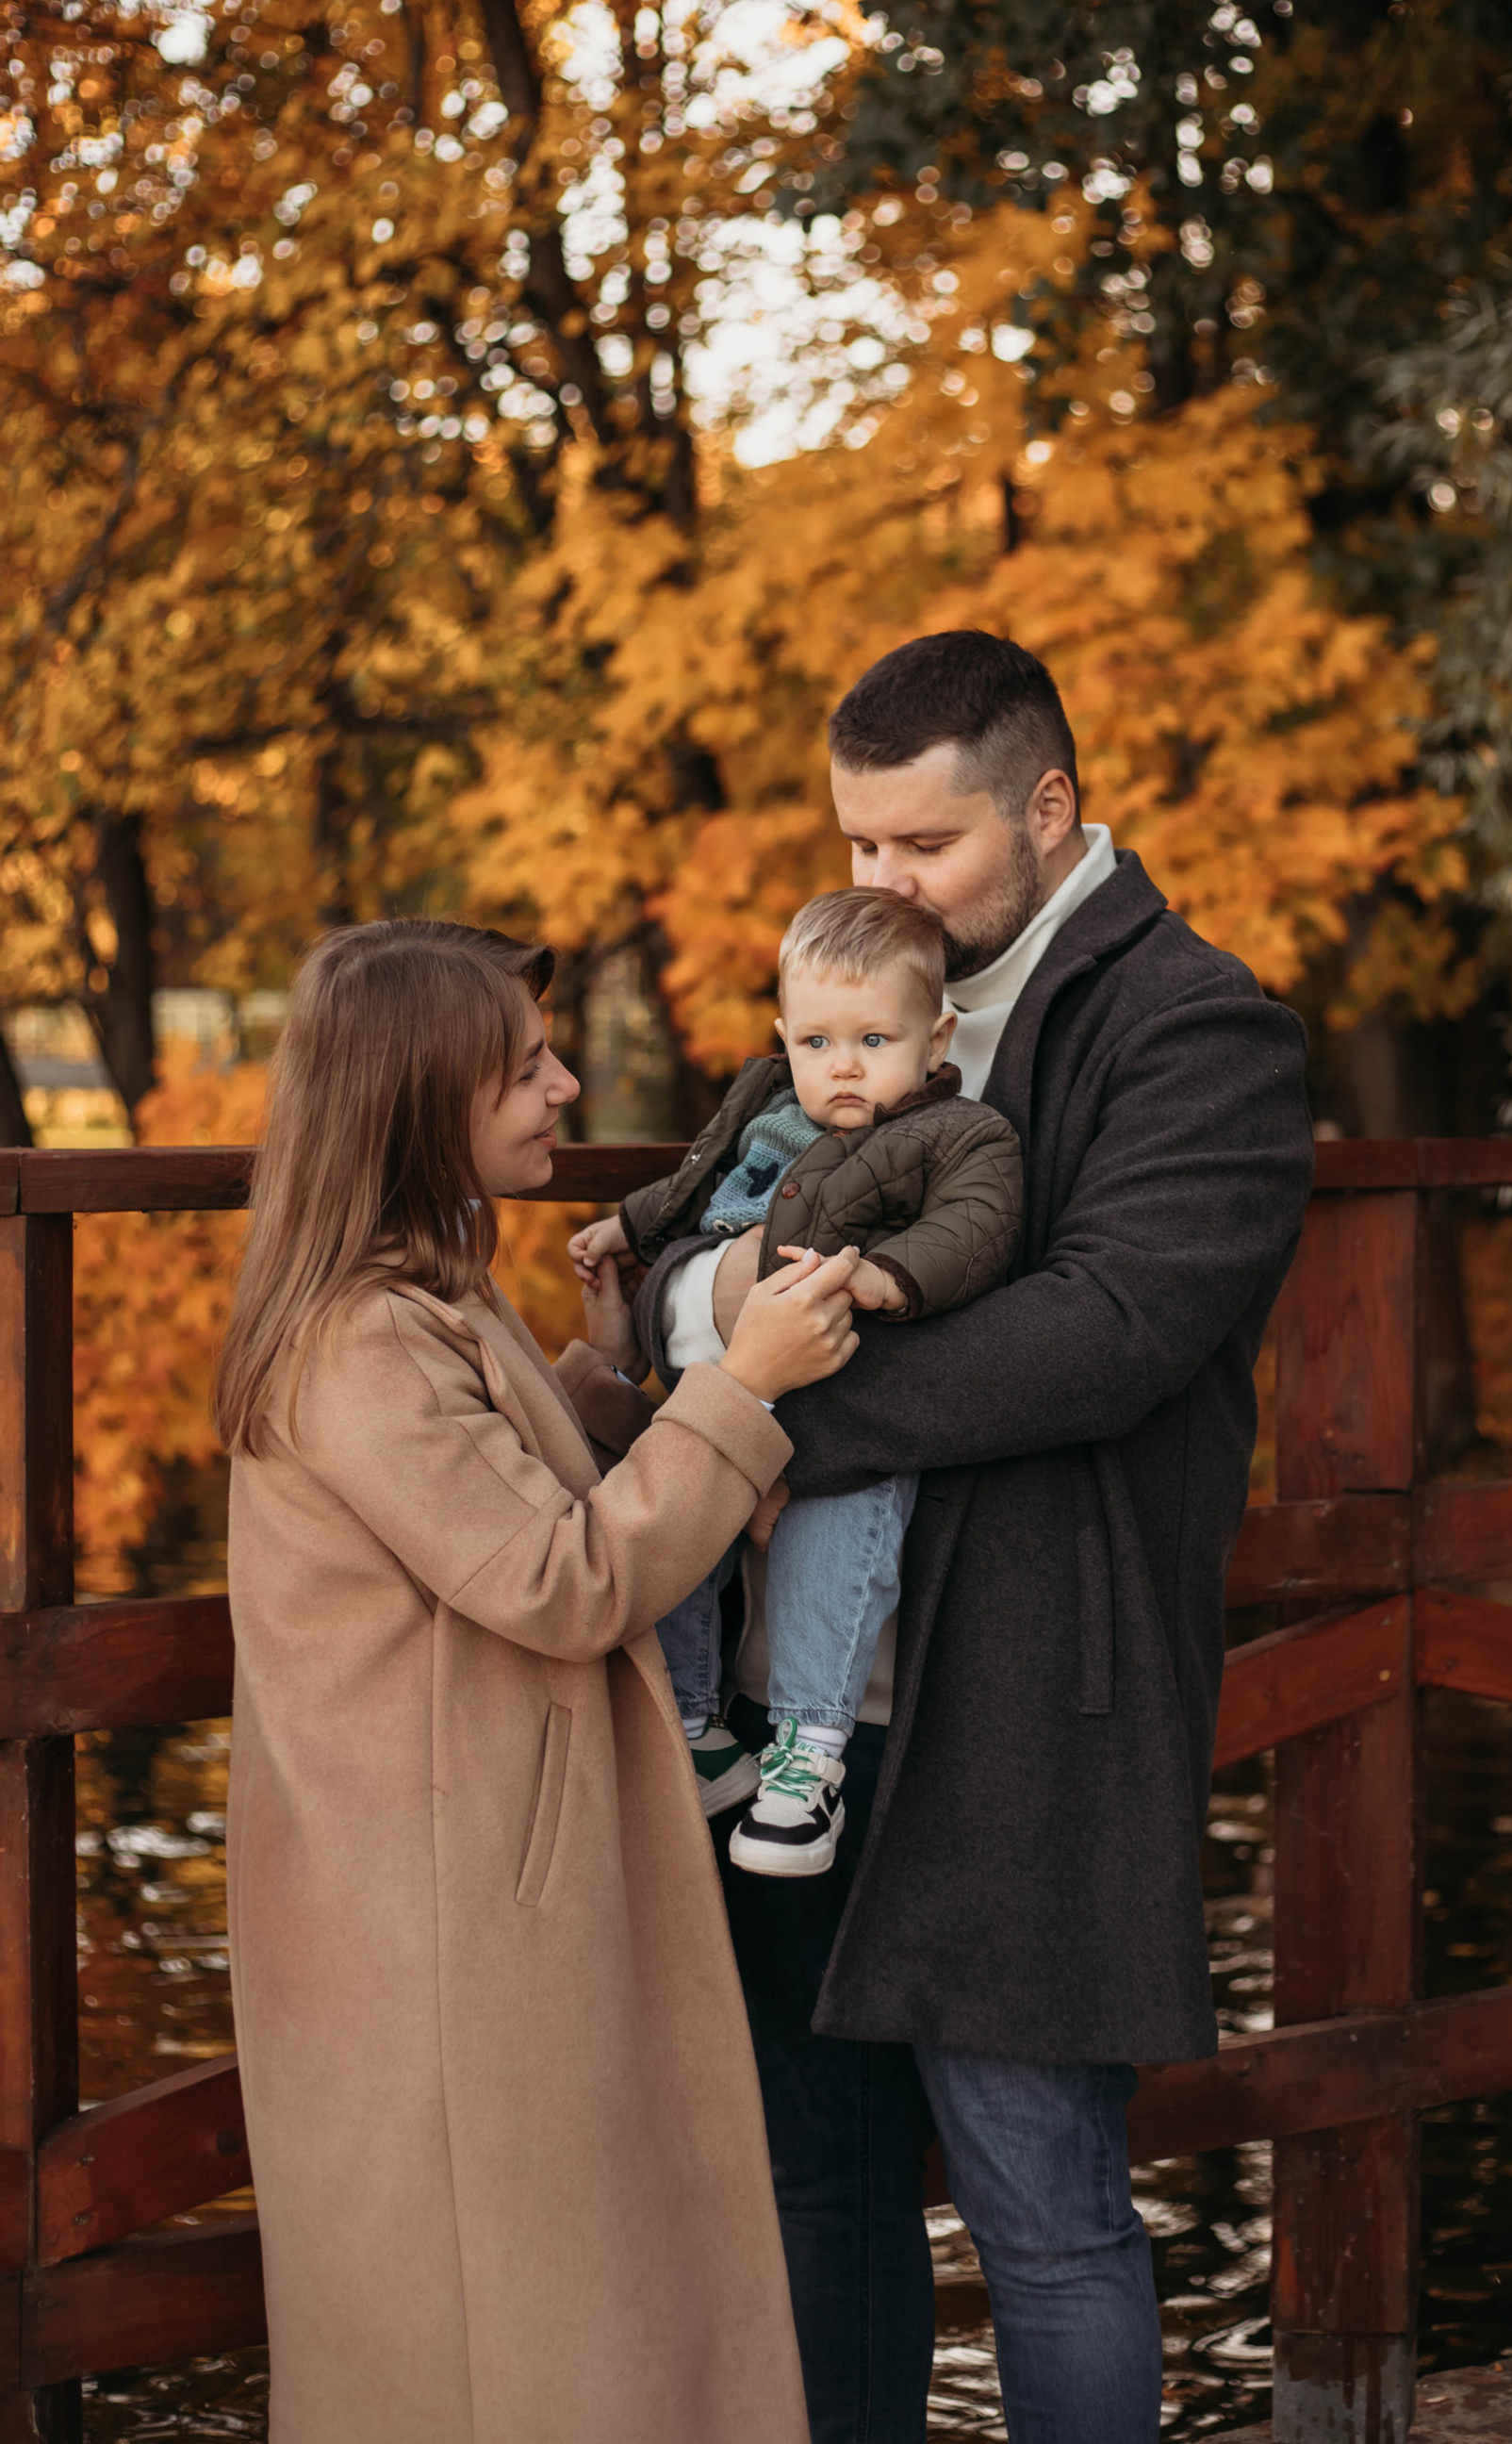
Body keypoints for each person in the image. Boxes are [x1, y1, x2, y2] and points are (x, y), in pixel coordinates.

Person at [635, 633, 1317, 2444]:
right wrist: (700, 1328)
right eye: (855, 843)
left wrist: (754, 1396)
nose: (874, 886)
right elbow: (684, 1253)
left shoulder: (1202, 1029)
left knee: (1050, 2225)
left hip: (1027, 1710)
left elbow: (1106, 1335)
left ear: (1050, 807)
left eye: (918, 848)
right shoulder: (855, 993)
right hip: (793, 1715)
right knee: (814, 2197)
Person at [215, 916, 860, 2444]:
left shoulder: (421, 1286)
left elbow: (485, 1495)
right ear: (417, 1097)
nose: (565, 1086)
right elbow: (557, 1580)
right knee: (505, 2343)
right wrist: (741, 1386)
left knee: (558, 2324)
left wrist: (608, 1382)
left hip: (472, 1895)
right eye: (525, 1068)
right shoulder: (362, 1333)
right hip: (441, 1938)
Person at [568, 884, 1022, 1878]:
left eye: (873, 1040)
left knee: (834, 1530)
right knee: (677, 1524)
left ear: (936, 1035)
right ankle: (694, 1729)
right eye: (817, 1043)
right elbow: (698, 1182)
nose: (843, 1067)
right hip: (732, 1388)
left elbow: (977, 1230)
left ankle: (808, 1758)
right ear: (785, 1038)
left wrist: (890, 1276)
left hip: (844, 1397)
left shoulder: (957, 1135)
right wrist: (633, 1226)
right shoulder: (768, 1108)